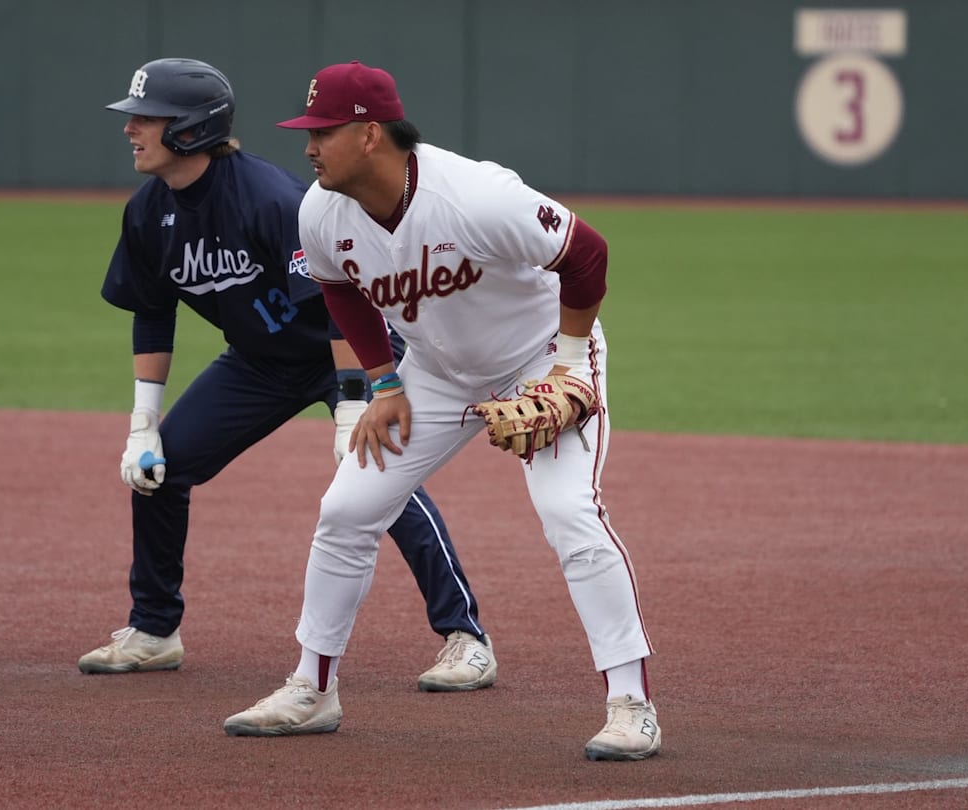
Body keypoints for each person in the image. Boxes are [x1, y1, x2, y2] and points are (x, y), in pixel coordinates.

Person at [222, 61, 659, 762]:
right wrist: (383, 381)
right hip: (433, 372)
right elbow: (338, 288)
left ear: (369, 135)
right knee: (347, 509)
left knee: (569, 513)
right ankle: (312, 688)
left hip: (541, 358)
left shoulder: (474, 197)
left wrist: (571, 363)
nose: (308, 145)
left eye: (322, 131)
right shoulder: (321, 209)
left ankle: (631, 703)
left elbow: (587, 254)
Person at [79, 57, 498, 694]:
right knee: (161, 469)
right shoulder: (147, 214)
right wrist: (143, 425)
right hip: (258, 364)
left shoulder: (270, 199)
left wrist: (357, 400)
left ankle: (465, 638)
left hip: (350, 354)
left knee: (380, 482)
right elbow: (152, 315)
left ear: (190, 128)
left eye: (147, 118)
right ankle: (155, 629)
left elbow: (340, 305)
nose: (131, 129)